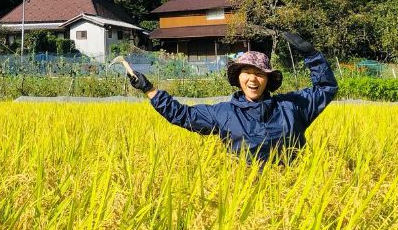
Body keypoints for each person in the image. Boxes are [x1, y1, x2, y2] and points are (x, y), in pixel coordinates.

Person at [128, 32, 338, 163]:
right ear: (238, 78)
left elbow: (326, 88)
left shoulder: (292, 107)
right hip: (243, 192)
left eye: (260, 73)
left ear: (268, 79)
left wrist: (312, 56)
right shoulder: (224, 113)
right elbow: (182, 115)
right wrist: (148, 89)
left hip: (292, 191)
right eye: (246, 72)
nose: (253, 79)